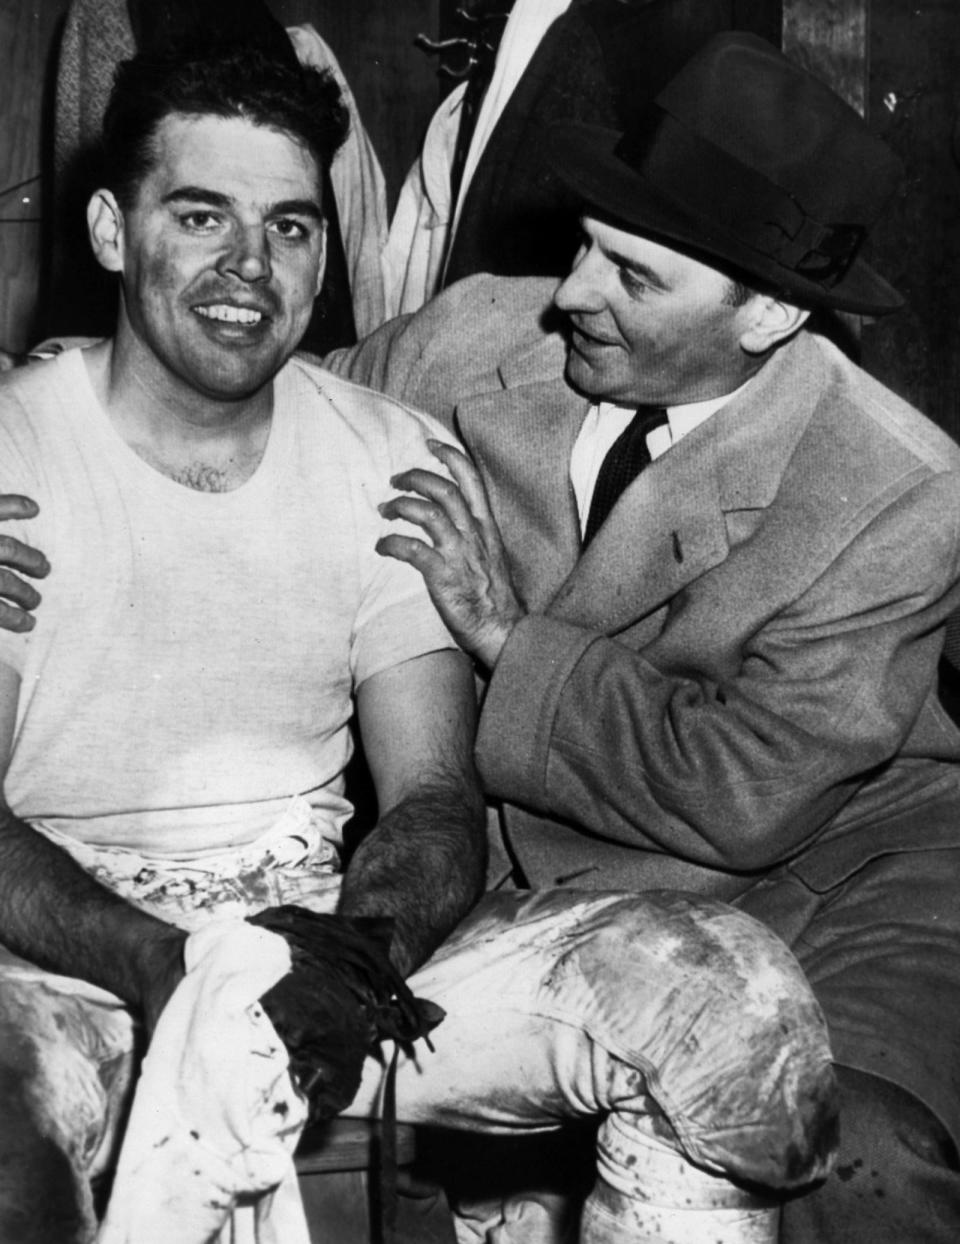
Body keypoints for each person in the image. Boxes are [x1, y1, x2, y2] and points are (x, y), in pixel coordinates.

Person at [0, 35, 837, 1244]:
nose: (250, 265)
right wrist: (162, 962)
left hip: (316, 938)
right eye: (200, 216)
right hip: (62, 958)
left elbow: (435, 793)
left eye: (291, 227)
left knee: (723, 1000)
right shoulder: (18, 456)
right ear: (109, 231)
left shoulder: (388, 457)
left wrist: (360, 955)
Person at [313, 31, 960, 1244]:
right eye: (585, 246)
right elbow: (271, 402)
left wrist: (506, 636)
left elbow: (742, 792)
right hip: (556, 874)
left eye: (635, 276)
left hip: (834, 878)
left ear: (770, 314)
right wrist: (49, 432)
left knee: (837, 1152)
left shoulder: (901, 489)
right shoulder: (477, 337)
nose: (571, 295)